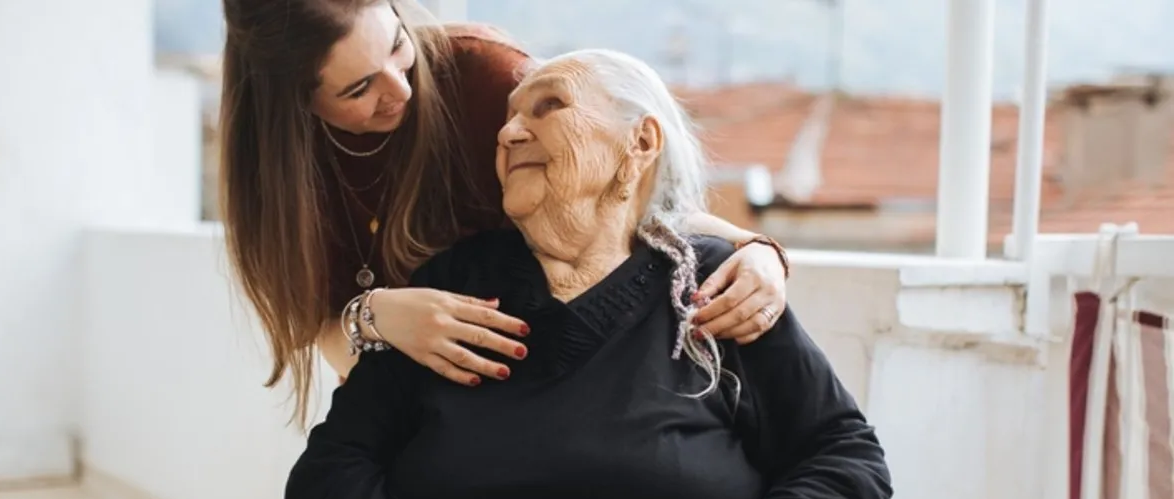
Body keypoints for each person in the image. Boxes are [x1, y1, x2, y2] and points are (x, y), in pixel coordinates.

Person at [285, 49, 892, 499]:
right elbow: (334, 463)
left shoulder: (717, 286)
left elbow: (845, 460)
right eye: (508, 118)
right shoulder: (452, 285)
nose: (508, 134)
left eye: (549, 107)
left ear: (641, 142)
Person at [218, 0, 793, 425]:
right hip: (411, 419)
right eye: (360, 89)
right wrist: (375, 319)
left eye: (397, 44)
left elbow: (620, 193)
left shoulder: (484, 76)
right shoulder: (275, 177)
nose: (401, 89)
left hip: (560, 396)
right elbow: (321, 326)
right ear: (292, 104)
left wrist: (753, 250)